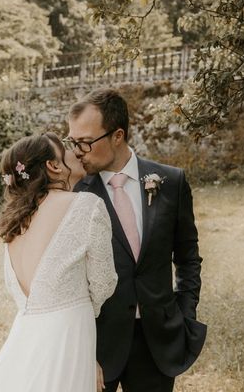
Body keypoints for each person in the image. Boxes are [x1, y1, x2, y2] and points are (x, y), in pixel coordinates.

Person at [67, 88, 207, 392]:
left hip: (157, 339)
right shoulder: (74, 195)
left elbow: (187, 257)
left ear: (118, 136)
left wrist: (185, 313)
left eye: (85, 142)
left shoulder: (171, 182)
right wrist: (82, 346)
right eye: (72, 142)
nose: (77, 151)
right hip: (97, 343)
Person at [0, 132, 117, 392]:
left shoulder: (15, 222)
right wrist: (84, 311)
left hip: (26, 342)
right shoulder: (87, 205)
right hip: (69, 335)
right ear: (53, 166)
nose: (75, 152)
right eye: (66, 149)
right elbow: (104, 282)